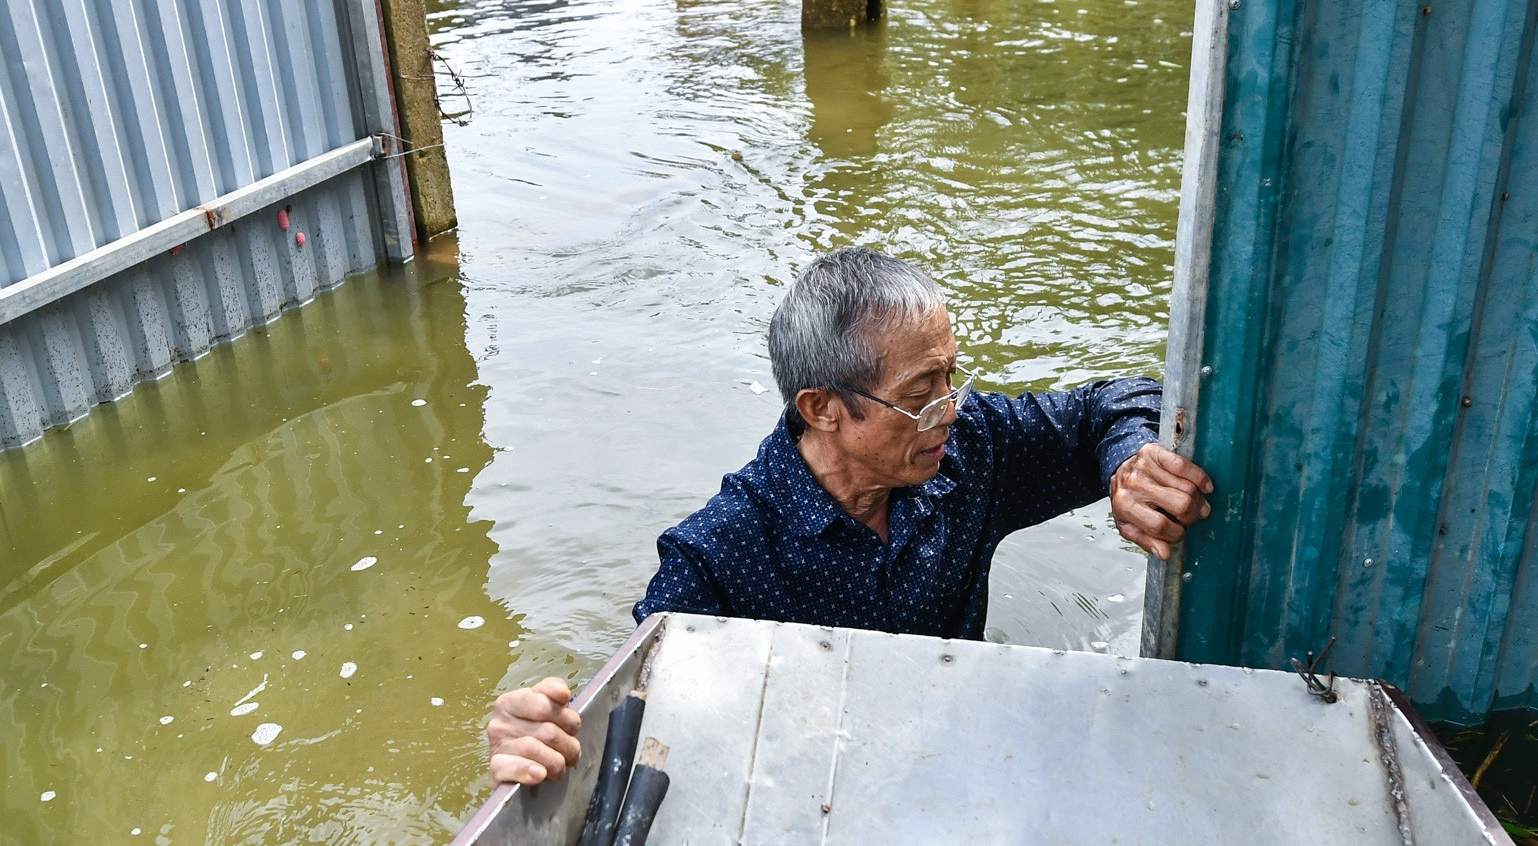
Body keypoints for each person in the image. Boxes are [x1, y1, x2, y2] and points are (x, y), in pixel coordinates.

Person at [483, 247, 1213, 789]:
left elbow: (1113, 403)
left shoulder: (968, 451)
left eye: (953, 376)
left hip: (954, 752)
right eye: (923, 390)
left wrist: (1130, 460)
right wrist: (543, 742)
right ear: (822, 408)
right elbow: (636, 721)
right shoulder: (722, 553)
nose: (950, 409)